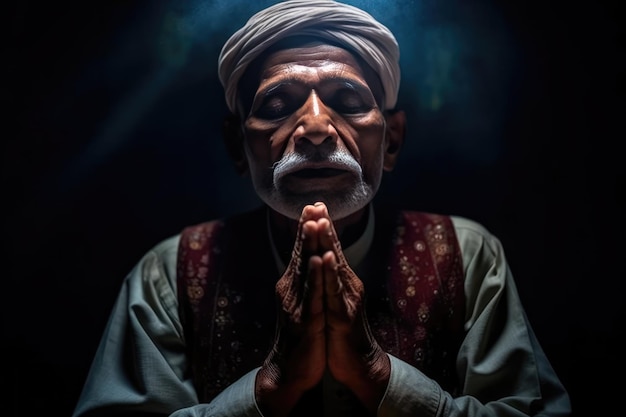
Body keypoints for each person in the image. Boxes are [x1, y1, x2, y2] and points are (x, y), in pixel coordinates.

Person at [72, 1, 572, 416]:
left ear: (391, 141)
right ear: (236, 147)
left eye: (348, 100)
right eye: (276, 105)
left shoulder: (468, 256)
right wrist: (271, 383)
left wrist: (378, 373)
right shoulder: (169, 272)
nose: (315, 127)